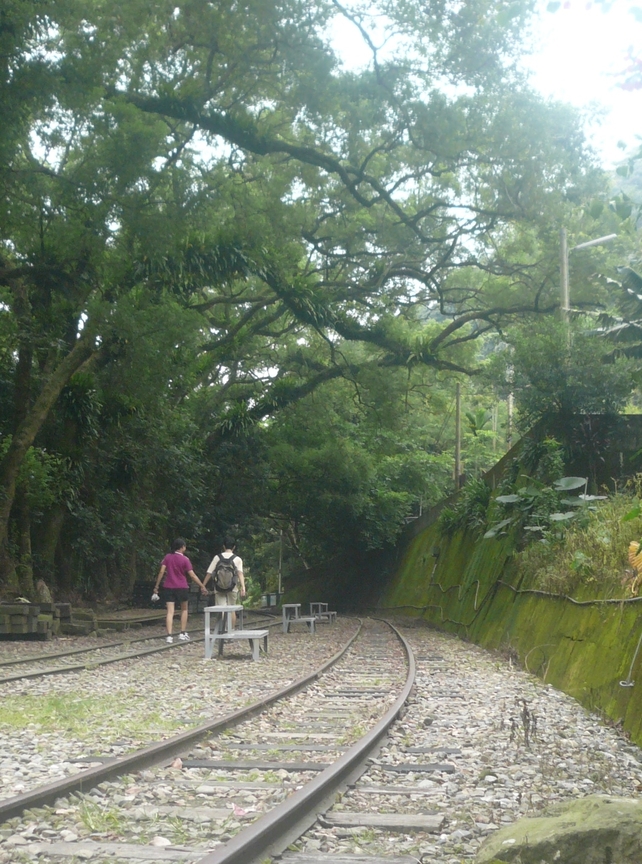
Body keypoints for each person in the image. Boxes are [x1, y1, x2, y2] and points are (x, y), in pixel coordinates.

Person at [153, 538, 207, 643]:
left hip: (168, 586)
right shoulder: (185, 560)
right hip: (182, 587)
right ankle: (182, 633)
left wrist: (156, 586)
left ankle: (169, 635)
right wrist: (202, 586)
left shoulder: (167, 557)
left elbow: (161, 572)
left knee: (170, 611)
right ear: (182, 547)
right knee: (184, 610)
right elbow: (192, 575)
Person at [203, 536, 246, 628]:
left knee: (221, 609)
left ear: (223, 546)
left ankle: (222, 630)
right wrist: (243, 587)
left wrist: (203, 585)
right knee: (232, 609)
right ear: (234, 547)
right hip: (233, 587)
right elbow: (240, 573)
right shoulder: (237, 559)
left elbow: (209, 573)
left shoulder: (217, 557)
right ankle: (231, 631)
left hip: (219, 587)